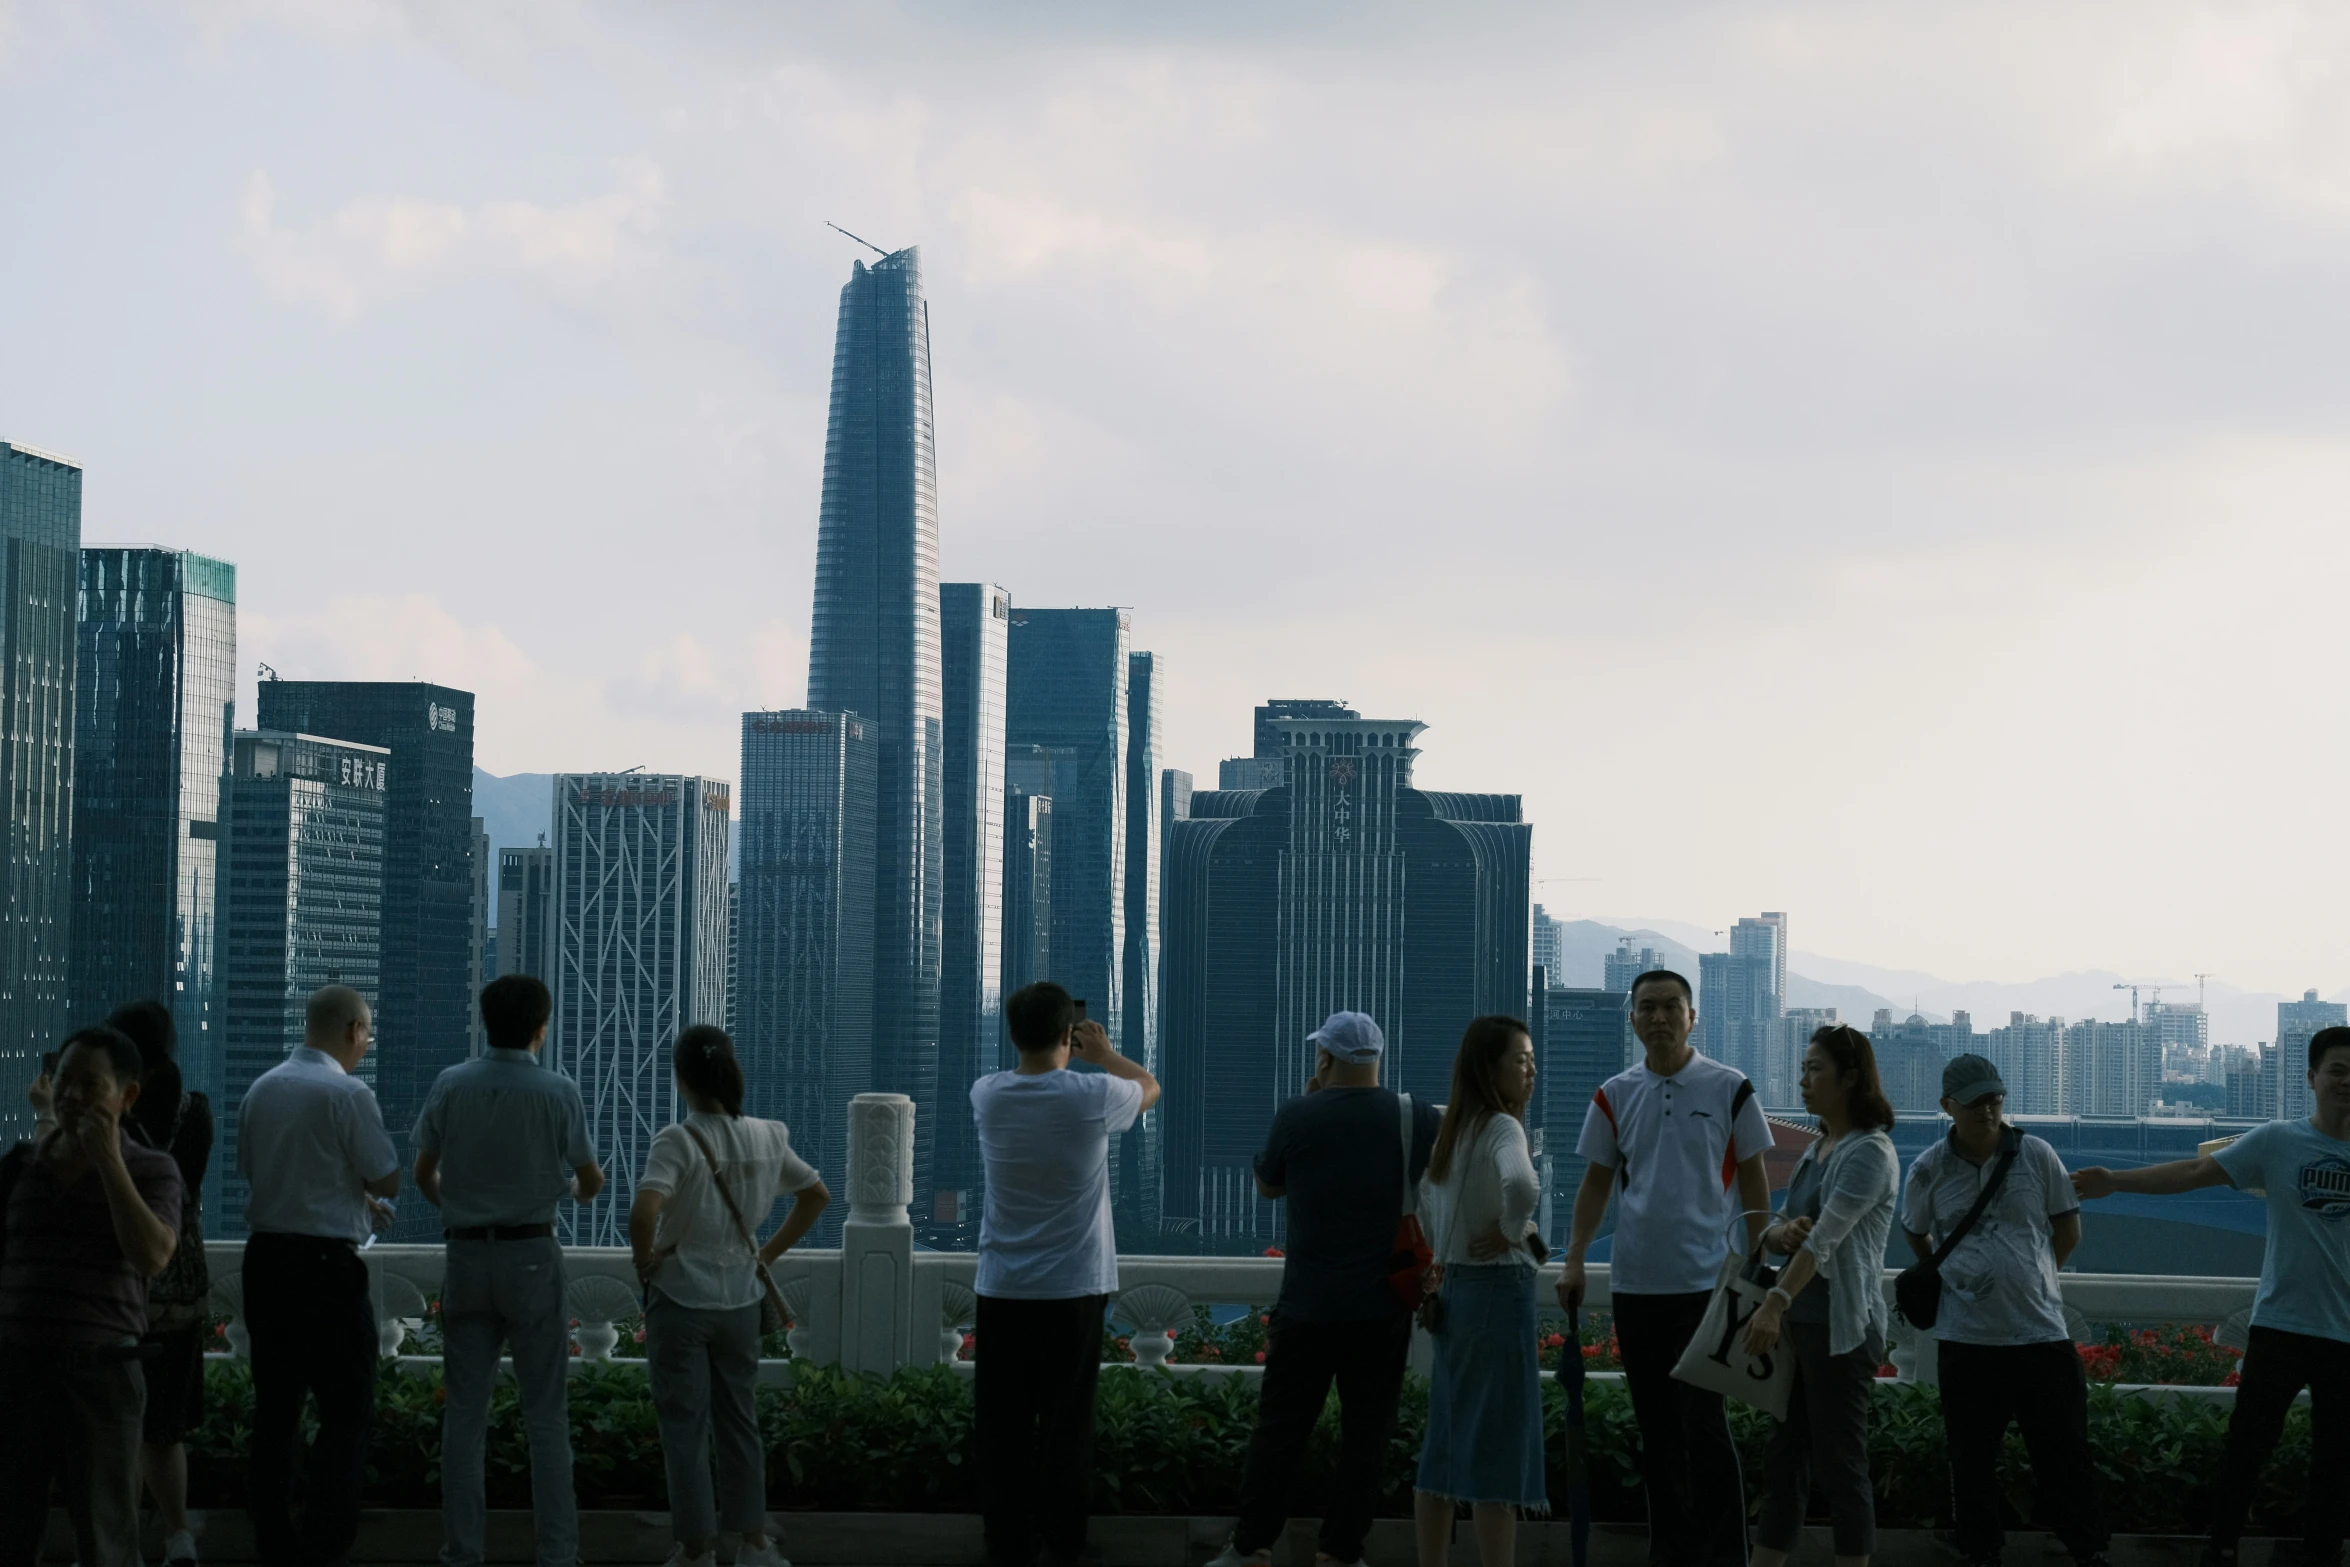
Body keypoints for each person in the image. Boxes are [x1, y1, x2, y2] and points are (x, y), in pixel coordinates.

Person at [2073, 1023, 2350, 1567]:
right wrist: (2117, 1182)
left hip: (2345, 1333)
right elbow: (2197, 1171)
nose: (2347, 1082)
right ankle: (2221, 1549)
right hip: (2282, 1324)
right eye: (2337, 1071)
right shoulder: (2278, 1141)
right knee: (2247, 1449)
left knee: (2338, 1464)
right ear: (2313, 1077)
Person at [1206, 1011, 1441, 1567]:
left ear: (1324, 1058)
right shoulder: (1416, 1116)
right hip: (1382, 1305)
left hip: (1308, 1304)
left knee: (1281, 1432)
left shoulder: (1298, 1115)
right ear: (1378, 1058)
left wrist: (1310, 1104)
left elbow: (1268, 1187)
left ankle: (1252, 1545)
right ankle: (1340, 1551)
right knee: (1368, 1435)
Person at [1562, 970, 1775, 1567]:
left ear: (1693, 1016)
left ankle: (1725, 1554)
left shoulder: (1729, 1087)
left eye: (1670, 1007)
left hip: (1707, 1283)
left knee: (1704, 1427)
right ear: (1631, 1019)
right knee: (1657, 1429)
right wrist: (1575, 1259)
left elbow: (1755, 1174)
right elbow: (1596, 1183)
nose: (1659, 1017)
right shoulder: (1614, 1093)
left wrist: (1759, 1263)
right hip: (1636, 1284)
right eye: (1647, 1007)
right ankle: (1672, 1553)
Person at [412, 974, 604, 1567]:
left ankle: (463, 1553)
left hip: (467, 1255)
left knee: (464, 1418)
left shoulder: (451, 1084)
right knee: (546, 1416)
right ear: (540, 1029)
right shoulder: (558, 1091)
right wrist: (565, 1189)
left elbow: (423, 1172)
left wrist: (465, 1210)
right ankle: (557, 1555)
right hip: (532, 1254)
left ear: (484, 1020)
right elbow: (590, 1180)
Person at [971, 982, 1160, 1567]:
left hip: (1002, 1288)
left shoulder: (988, 1093)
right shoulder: (1093, 1094)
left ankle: (1006, 1548)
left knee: (1003, 1433)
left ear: (1011, 1034)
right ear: (1066, 1036)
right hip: (1075, 1289)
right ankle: (1062, 1547)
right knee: (1066, 1427)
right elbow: (1149, 1088)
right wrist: (1102, 1053)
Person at [630, 1024, 830, 1567]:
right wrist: (766, 1255)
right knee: (739, 1421)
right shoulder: (768, 1135)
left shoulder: (679, 1139)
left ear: (681, 1079)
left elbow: (644, 1211)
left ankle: (695, 1550)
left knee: (684, 1427)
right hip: (741, 1301)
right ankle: (753, 1545)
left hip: (679, 1299)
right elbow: (817, 1195)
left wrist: (645, 1264)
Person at [1902, 1054, 2108, 1567]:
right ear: (1948, 1106)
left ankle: (2084, 1549)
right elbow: (1915, 1229)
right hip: (1967, 1338)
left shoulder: (2036, 1154)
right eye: (1974, 1103)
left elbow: (2068, 1229)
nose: (1987, 1111)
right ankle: (1980, 1550)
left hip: (2041, 1333)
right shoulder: (1929, 1167)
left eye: (1994, 1100)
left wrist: (2035, 1279)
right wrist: (1950, 1273)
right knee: (1971, 1458)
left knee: (2065, 1452)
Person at [0, 1026, 183, 1567]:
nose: (73, 1095)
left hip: (101, 1376)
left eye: (90, 1084)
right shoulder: (20, 1165)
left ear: (126, 1097)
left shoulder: (153, 1169)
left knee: (105, 1537)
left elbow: (152, 1255)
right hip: (16, 1369)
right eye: (64, 1080)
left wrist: (109, 1163)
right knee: (9, 1528)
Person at [238, 985, 402, 1567]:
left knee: (276, 1409)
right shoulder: (348, 1093)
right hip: (326, 1270)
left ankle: (273, 1543)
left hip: (265, 1262)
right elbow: (387, 1179)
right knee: (346, 1411)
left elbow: (259, 1171)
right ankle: (325, 1544)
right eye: (368, 1034)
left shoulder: (262, 1089)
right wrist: (364, 1198)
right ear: (355, 1030)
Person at [1740, 1025, 1900, 1567]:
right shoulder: (1817, 1149)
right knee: (1784, 1461)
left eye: (1815, 1070)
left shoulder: (1868, 1153)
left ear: (1850, 1077)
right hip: (1798, 1331)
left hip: (1839, 1330)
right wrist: (1775, 1236)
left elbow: (1826, 1240)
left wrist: (1774, 1302)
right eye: (1803, 1069)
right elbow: (1782, 1225)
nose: (1804, 1081)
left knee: (1840, 1466)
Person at [1414, 1015, 1549, 1567]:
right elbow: (1522, 1184)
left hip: (1456, 1293)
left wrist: (1510, 1236)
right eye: (1520, 1060)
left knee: (1446, 1439)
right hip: (1497, 1294)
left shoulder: (1452, 1130)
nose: (1531, 1071)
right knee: (1497, 1440)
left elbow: (1423, 1204)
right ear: (1489, 1068)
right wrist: (1514, 1229)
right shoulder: (1501, 1128)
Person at [113, 1000, 216, 1567]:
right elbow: (186, 1191)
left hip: (116, 1286)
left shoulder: (112, 1118)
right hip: (178, 1283)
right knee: (164, 1426)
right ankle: (178, 1536)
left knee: (114, 1426)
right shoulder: (192, 1111)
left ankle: (117, 1542)